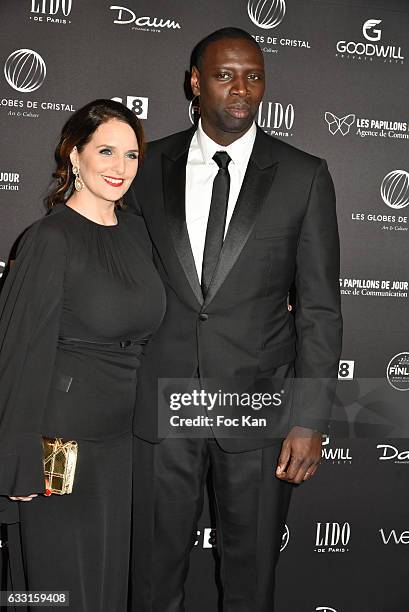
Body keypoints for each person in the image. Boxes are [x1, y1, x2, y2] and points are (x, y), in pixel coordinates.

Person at [127, 28, 342, 612]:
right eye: (225, 75)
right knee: (151, 580)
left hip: (259, 410)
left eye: (254, 75)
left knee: (250, 586)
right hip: (161, 402)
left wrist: (308, 419)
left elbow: (320, 310)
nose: (241, 88)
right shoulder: (145, 166)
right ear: (195, 83)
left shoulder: (304, 175)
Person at [0, 99, 165, 611]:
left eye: (132, 156)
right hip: (60, 450)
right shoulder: (49, 239)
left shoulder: (140, 233)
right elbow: (18, 351)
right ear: (75, 155)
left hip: (124, 445)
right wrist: (16, 458)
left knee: (106, 588)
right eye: (107, 152)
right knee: (63, 593)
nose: (120, 168)